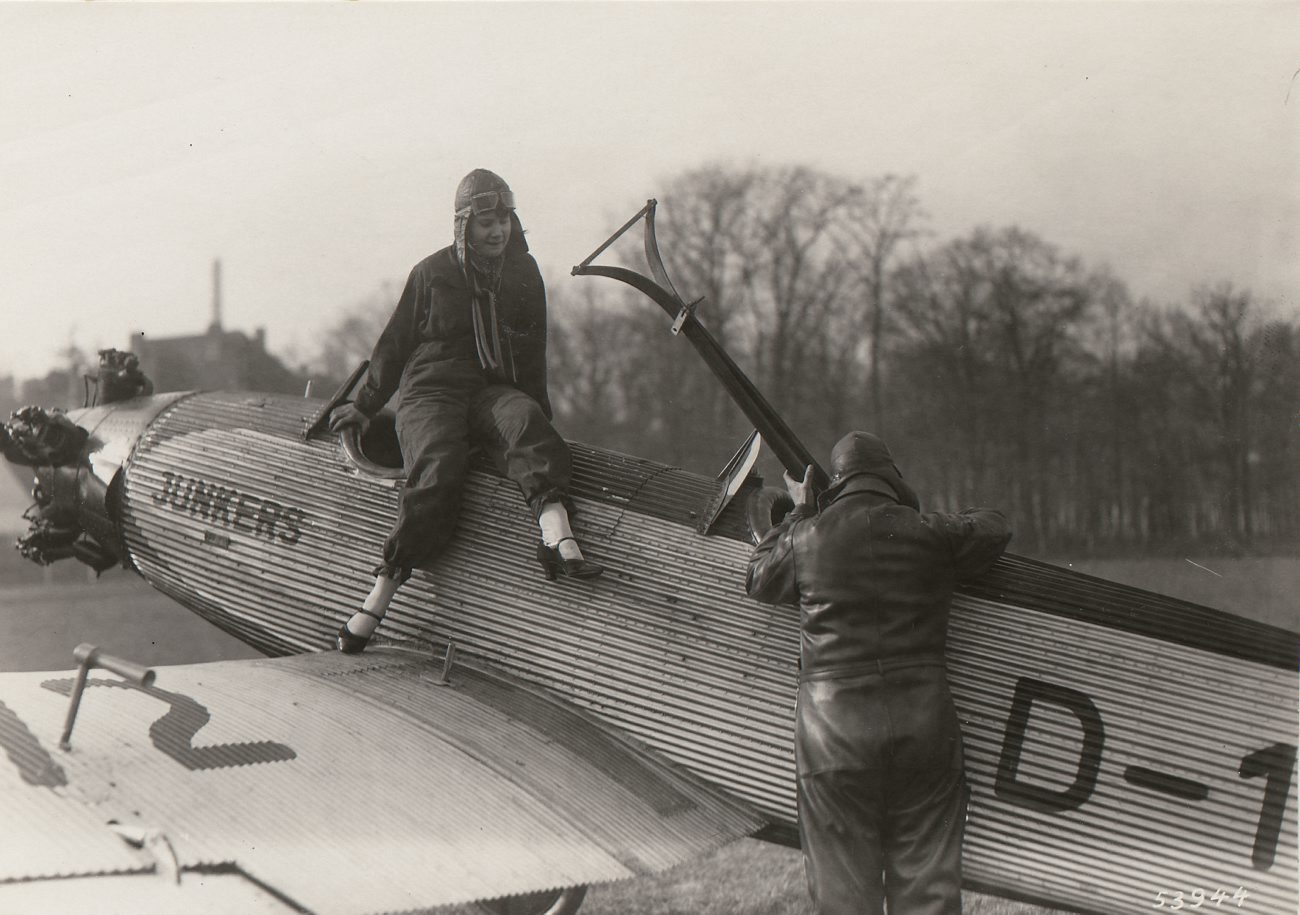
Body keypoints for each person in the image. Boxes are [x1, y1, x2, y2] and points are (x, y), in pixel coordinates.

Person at [329, 168, 601, 654]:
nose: (497, 231)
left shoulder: (524, 272)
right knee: (438, 466)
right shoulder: (432, 273)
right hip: (430, 387)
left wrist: (535, 407)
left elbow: (533, 346)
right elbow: (393, 345)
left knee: (527, 425)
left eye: (504, 220)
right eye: (485, 223)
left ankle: (554, 531)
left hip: (490, 387)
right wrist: (365, 405)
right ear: (463, 227)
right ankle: (380, 594)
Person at [746, 432, 1011, 915]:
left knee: (844, 899)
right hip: (924, 730)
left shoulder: (806, 537)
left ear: (836, 484)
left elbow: (759, 576)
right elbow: (993, 526)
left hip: (833, 739)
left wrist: (803, 509)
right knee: (928, 895)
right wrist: (921, 508)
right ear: (892, 479)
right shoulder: (930, 533)